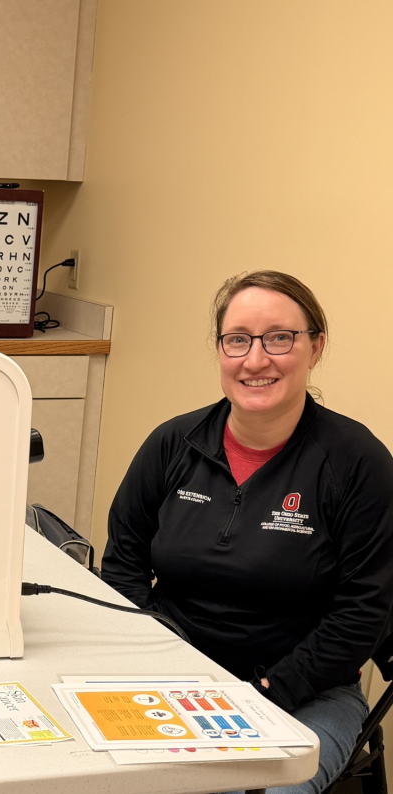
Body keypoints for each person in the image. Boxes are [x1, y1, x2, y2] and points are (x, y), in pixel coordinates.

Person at [102, 270, 393, 794]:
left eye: (280, 338)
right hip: (171, 680)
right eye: (238, 340)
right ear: (220, 349)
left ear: (315, 347)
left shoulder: (358, 464)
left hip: (304, 693)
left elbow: (363, 613)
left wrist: (264, 691)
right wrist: (157, 663)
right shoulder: (172, 444)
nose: (256, 360)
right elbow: (123, 562)